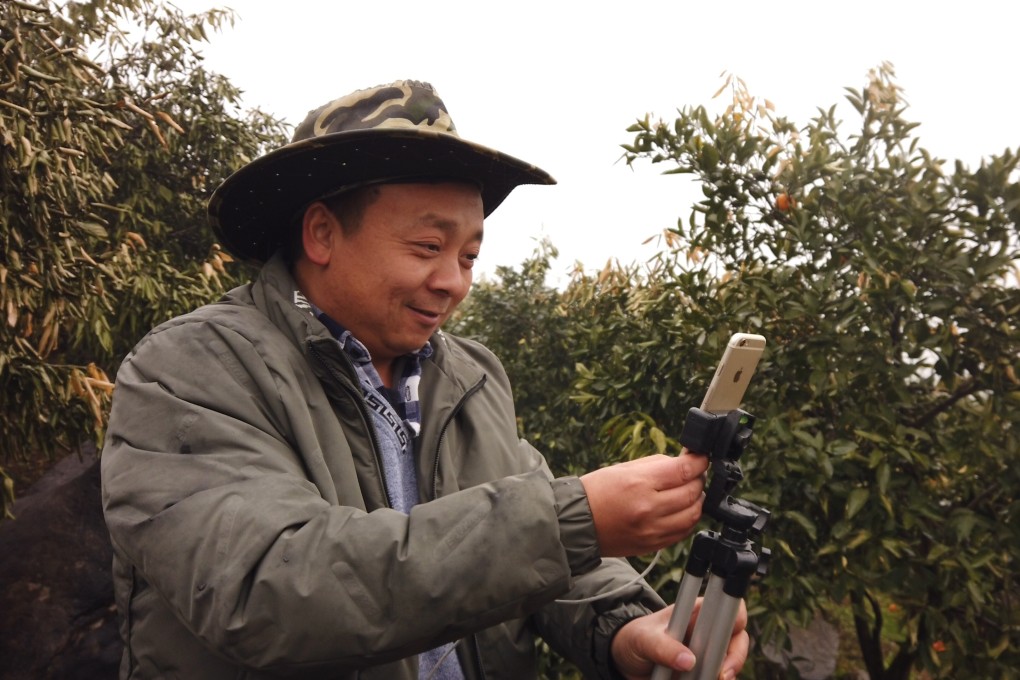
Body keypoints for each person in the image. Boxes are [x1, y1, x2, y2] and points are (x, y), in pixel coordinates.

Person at [101, 80, 748, 680]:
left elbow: (538, 550)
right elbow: (268, 588)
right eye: (427, 248)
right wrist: (572, 522)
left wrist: (627, 627)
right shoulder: (192, 369)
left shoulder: (468, 378)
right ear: (322, 233)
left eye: (469, 256)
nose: (453, 282)